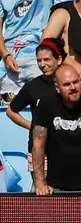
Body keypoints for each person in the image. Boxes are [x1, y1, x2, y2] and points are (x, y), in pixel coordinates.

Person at [31, 65, 81, 195]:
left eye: (76, 82)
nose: (73, 87)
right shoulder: (46, 104)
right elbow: (38, 145)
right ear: (57, 88)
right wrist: (40, 183)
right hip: (56, 185)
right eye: (67, 84)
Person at [6, 39, 65, 183]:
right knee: (42, 193)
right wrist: (32, 126)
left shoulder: (71, 82)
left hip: (66, 148)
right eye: (39, 61)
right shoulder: (33, 86)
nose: (42, 65)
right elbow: (11, 111)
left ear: (59, 59)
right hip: (40, 150)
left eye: (46, 60)